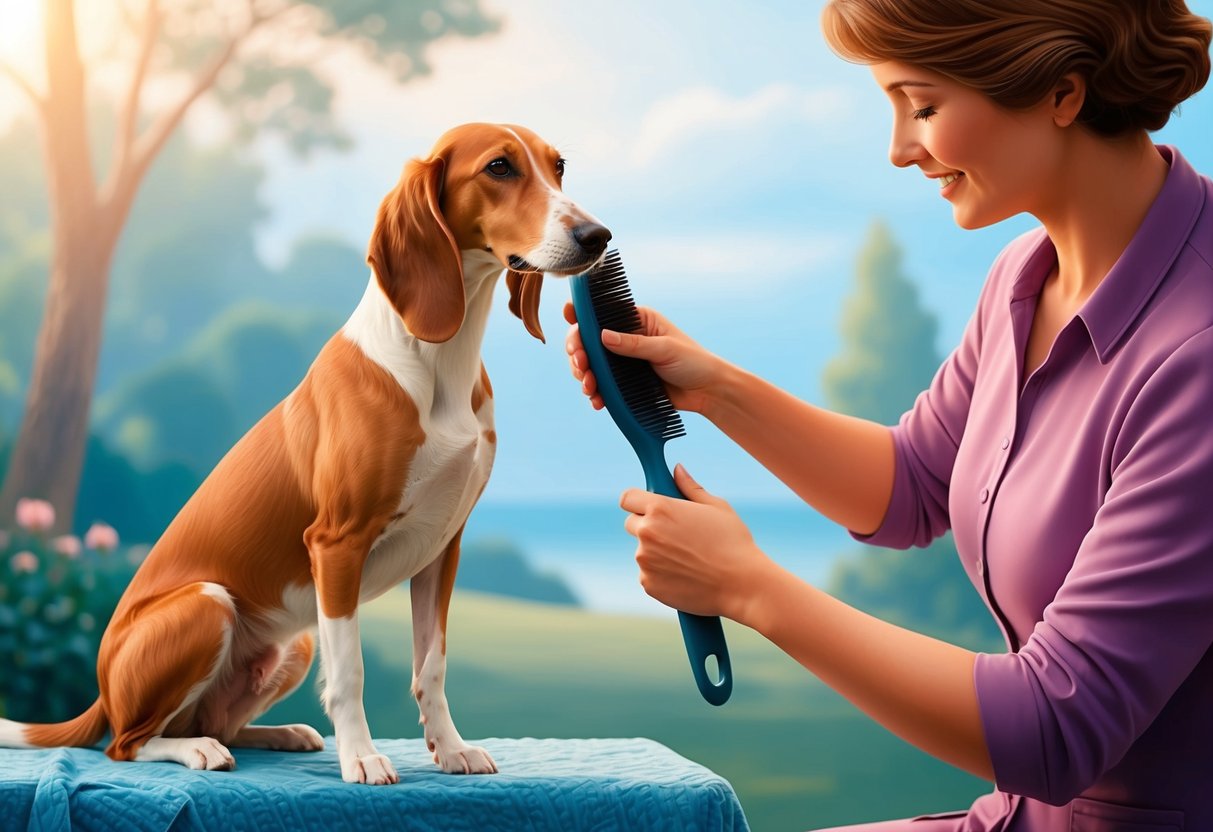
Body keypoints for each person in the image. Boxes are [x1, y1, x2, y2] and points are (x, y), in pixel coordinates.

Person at [563, 1, 1213, 829]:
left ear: (1061, 91)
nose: (900, 149)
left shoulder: (1195, 355)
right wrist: (712, 387)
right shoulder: (1027, 276)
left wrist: (750, 588)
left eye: (924, 106)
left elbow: (1055, 727)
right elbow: (911, 486)